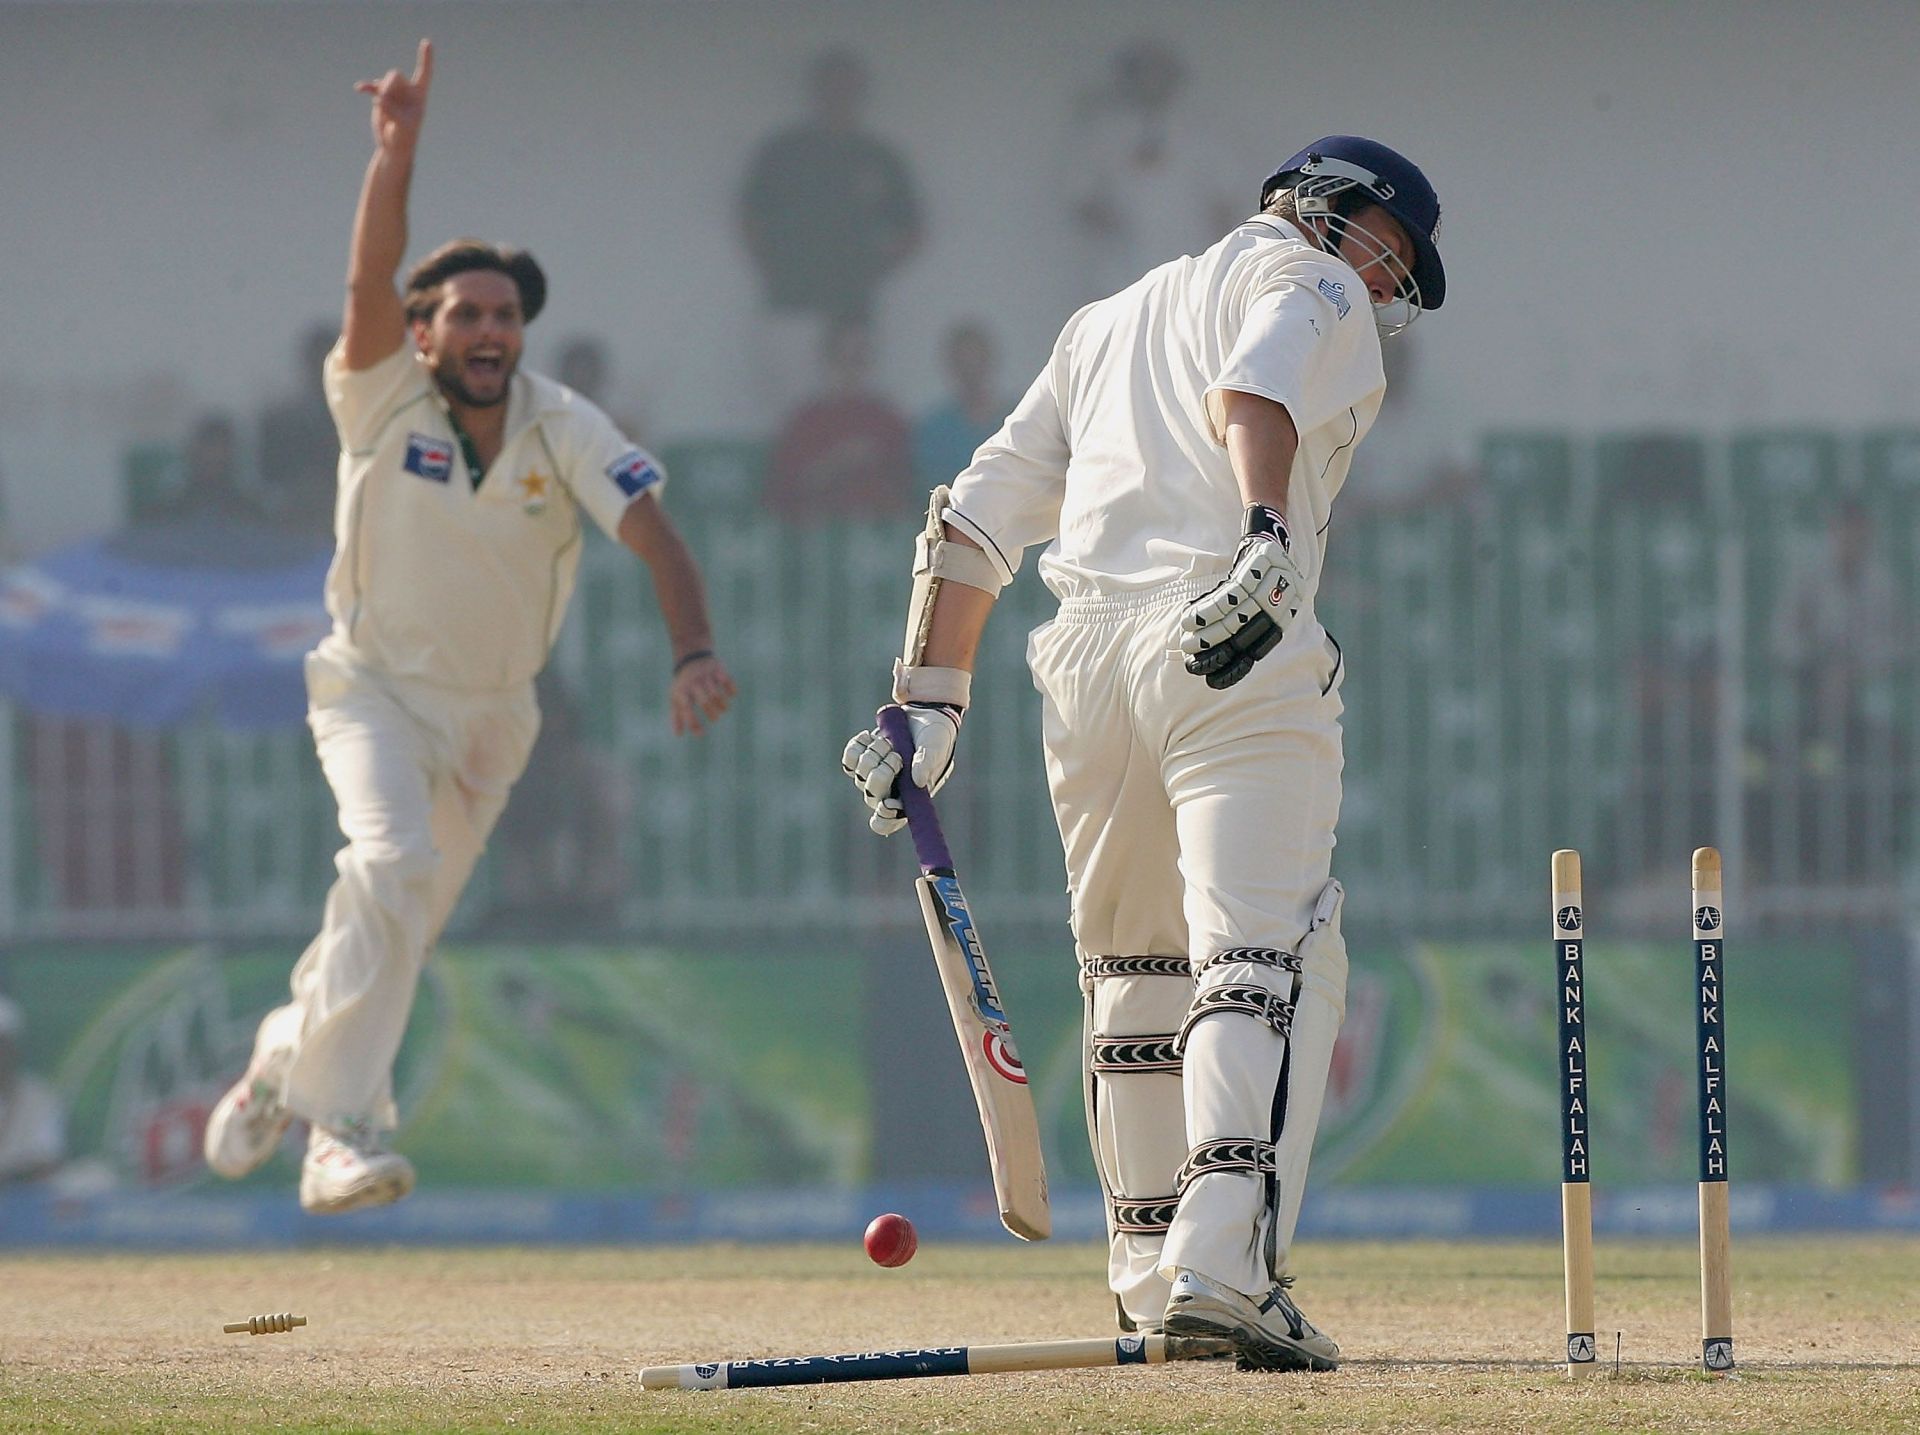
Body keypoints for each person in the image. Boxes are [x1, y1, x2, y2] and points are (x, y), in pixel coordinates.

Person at [843, 137, 1447, 1370]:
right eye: (1395, 254)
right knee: (1266, 952)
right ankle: (1225, 1270)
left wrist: (929, 707)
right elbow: (1257, 388)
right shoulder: (1310, 279)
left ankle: (1147, 1271)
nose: (1389, 291)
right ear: (1330, 210)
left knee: (1134, 970)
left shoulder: (1103, 322)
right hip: (1233, 630)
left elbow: (974, 514)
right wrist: (1268, 537)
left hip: (1086, 665)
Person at [202, 40, 736, 1216]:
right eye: (465, 313)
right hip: (374, 689)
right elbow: (366, 283)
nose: (491, 329)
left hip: (500, 718)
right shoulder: (380, 393)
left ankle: (280, 1060)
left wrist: (692, 649)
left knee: (396, 925)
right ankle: (339, 1130)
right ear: (424, 332)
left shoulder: (564, 423)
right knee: (388, 868)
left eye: (506, 314)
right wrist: (394, 159)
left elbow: (657, 535)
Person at [737, 47, 923, 416]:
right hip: (791, 299)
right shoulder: (783, 151)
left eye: (847, 87)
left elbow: (911, 230)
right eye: (831, 86)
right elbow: (750, 218)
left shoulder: (877, 155)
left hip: (854, 306)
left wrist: (871, 272)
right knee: (789, 409)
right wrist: (773, 266)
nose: (838, 94)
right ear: (815, 91)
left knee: (852, 408)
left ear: (860, 92)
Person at [763, 316, 912, 524]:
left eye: (859, 358)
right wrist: (836, 463)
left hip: (875, 535)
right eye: (844, 357)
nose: (851, 368)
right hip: (818, 534)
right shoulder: (806, 421)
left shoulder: (886, 420)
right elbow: (784, 491)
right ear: (828, 359)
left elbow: (908, 491)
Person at [914, 321, 1011, 495]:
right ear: (952, 366)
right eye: (963, 363)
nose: (971, 370)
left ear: (989, 362)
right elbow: (929, 488)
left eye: (976, 361)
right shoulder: (934, 428)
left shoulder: (1014, 420)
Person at [0, 995, 67, 1184]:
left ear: (13, 1049)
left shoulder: (40, 1099)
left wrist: (9, 1175)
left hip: (23, 1201)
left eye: (1, 1045)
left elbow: (47, 1161)